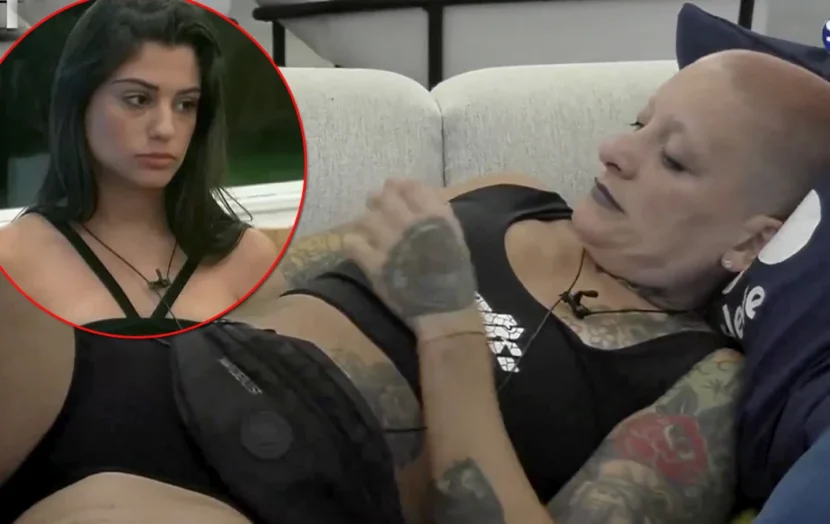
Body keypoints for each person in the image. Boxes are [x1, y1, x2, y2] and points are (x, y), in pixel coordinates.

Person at [2, 49, 829, 524]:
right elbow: (275, 278)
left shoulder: (701, 383)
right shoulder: (510, 193)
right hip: (154, 369)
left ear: (752, 240)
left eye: (674, 158)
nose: (616, 149)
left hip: (281, 490)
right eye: (641, 122)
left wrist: (449, 327)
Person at [0, 0, 277, 336]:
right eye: (138, 100)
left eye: (185, 104)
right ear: (79, 102)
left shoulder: (248, 258)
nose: (165, 129)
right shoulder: (13, 260)